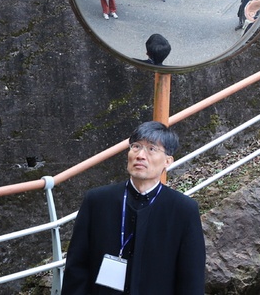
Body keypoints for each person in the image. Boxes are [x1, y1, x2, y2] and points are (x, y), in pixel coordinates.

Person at [60, 121, 206, 295]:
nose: (140, 155)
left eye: (152, 149)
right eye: (136, 147)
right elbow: (77, 267)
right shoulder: (97, 200)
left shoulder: (183, 209)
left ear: (168, 161)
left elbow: (191, 279)